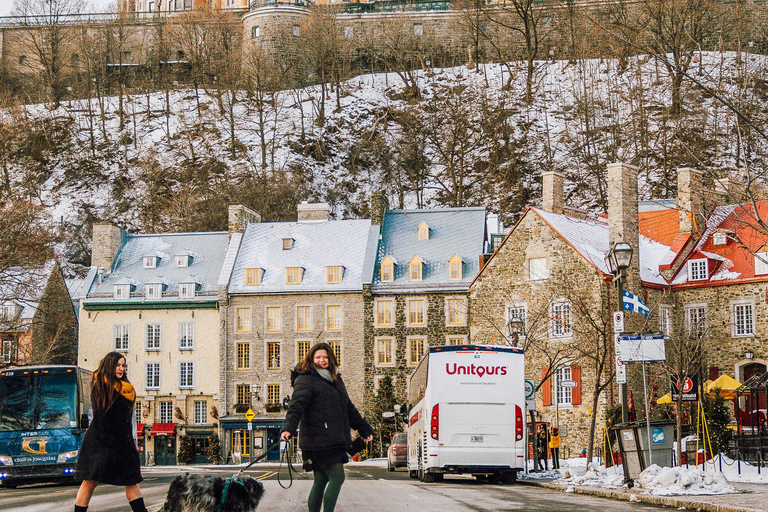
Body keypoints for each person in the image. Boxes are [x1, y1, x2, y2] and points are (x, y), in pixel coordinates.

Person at [281, 342, 373, 512]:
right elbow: (296, 406)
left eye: (325, 357)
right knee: (338, 477)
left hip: (332, 439)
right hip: (319, 440)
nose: (322, 360)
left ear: (331, 359)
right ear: (311, 359)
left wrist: (364, 428)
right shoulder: (306, 379)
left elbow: (348, 407)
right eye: (318, 357)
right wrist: (289, 428)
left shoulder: (335, 379)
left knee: (321, 480)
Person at [73, 352, 148, 512]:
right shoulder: (101, 385)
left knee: (131, 481)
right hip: (100, 442)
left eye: (123, 366)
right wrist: (110, 442)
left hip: (123, 441)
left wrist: (127, 444)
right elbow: (101, 417)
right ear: (110, 365)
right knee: (90, 481)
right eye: (117, 365)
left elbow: (126, 420)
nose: (121, 369)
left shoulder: (128, 389)